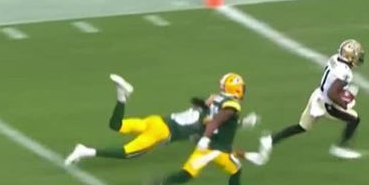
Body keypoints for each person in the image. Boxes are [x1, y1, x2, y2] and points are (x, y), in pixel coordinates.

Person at [64, 74, 257, 165]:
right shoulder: (213, 116)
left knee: (117, 125)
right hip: (162, 132)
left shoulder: (206, 107)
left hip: (156, 120)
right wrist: (242, 123)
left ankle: (121, 96)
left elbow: (206, 116)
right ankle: (84, 151)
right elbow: (214, 127)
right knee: (128, 153)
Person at [142, 73, 253, 185]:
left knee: (187, 173)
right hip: (218, 149)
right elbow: (217, 121)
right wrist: (206, 138)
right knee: (236, 170)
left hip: (208, 147)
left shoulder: (216, 99)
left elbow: (212, 119)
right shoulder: (232, 104)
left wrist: (241, 123)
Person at [264, 39, 365, 160]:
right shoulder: (345, 72)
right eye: (356, 54)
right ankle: (341, 148)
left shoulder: (335, 58)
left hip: (317, 96)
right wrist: (344, 103)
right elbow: (332, 93)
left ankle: (270, 139)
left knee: (302, 127)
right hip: (328, 104)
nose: (358, 57)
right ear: (350, 57)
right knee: (354, 119)